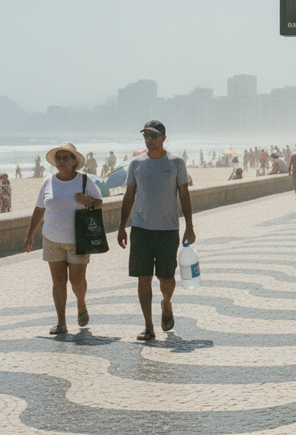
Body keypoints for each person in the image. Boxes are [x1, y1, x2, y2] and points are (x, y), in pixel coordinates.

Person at [118, 121, 195, 341]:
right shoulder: (136, 164)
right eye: (146, 135)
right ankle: (149, 326)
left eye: (153, 135)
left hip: (167, 229)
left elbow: (184, 196)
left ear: (163, 138)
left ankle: (166, 303)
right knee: (143, 278)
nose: (148, 139)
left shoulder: (176, 162)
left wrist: (189, 226)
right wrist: (122, 227)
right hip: (141, 229)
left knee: (166, 279)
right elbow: (129, 196)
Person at [24, 143, 103, 334]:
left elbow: (99, 203)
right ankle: (61, 323)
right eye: (58, 158)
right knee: (58, 282)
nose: (61, 162)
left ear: (74, 161)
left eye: (65, 158)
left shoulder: (85, 181)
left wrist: (88, 201)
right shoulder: (48, 181)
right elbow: (39, 208)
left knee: (77, 281)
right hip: (52, 239)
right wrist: (30, 234)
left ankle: (81, 303)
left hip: (79, 239)